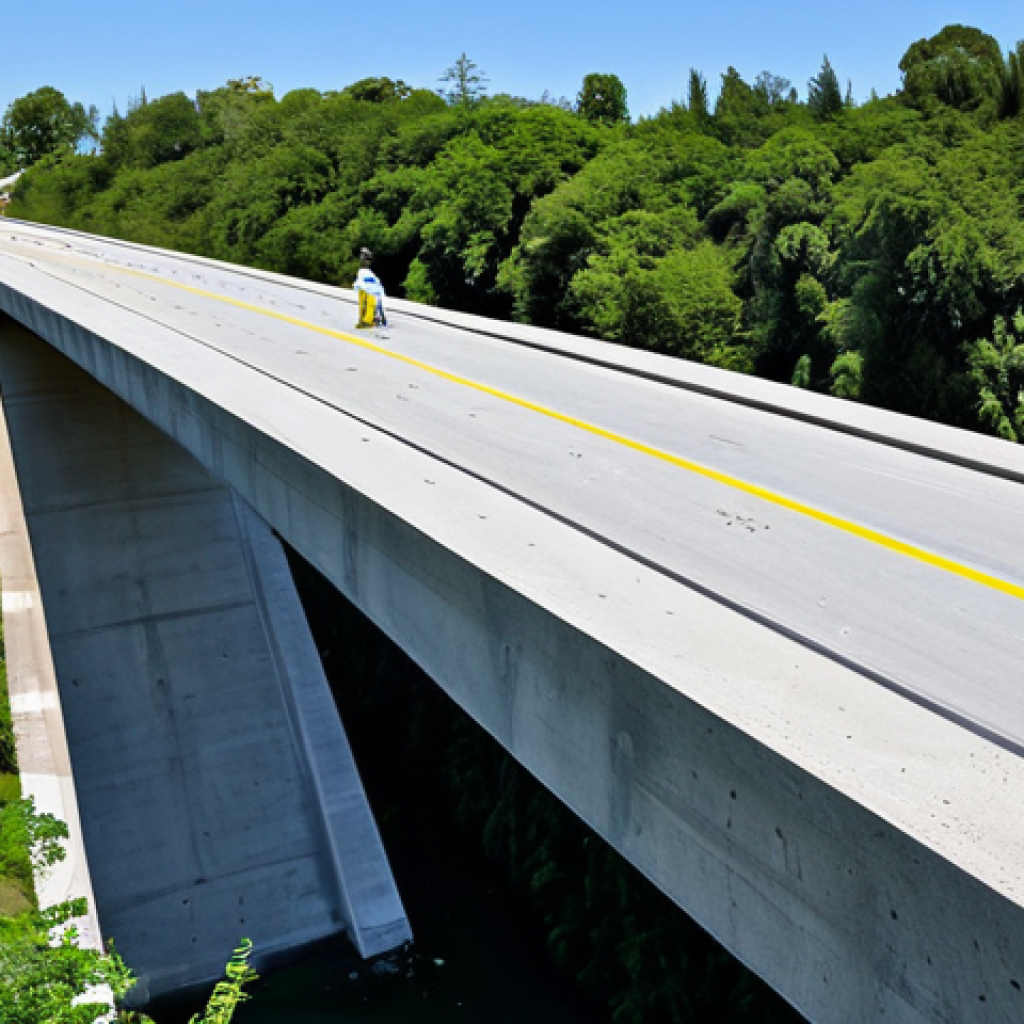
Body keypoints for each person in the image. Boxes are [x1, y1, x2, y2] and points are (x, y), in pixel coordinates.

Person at [353, 248, 387, 329]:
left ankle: (367, 320)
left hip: (369, 289)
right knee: (368, 300)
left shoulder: (367, 275)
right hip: (370, 288)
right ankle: (368, 320)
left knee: (367, 300)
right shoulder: (371, 276)